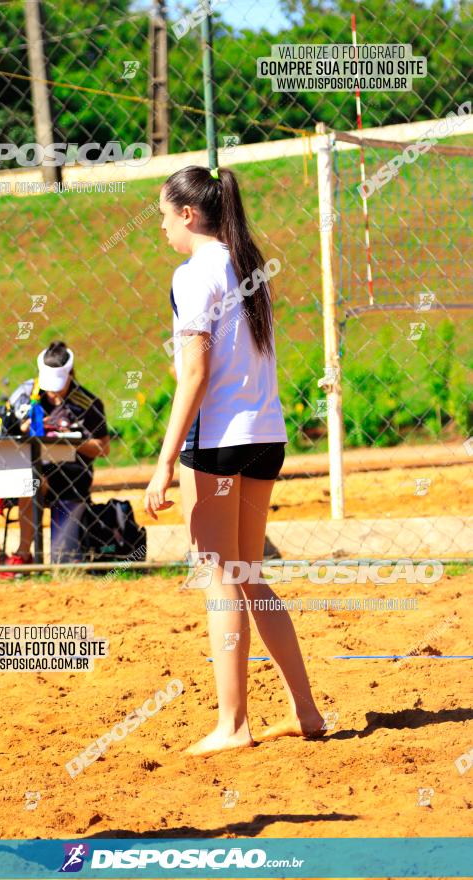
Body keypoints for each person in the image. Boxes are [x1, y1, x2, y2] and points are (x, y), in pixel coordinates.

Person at [144, 165, 325, 756]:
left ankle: (233, 725)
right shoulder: (247, 265)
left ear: (189, 215)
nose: (163, 226)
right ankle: (305, 710)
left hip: (220, 440)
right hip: (265, 433)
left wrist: (165, 460)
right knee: (248, 575)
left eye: (166, 215)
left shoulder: (194, 273)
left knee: (221, 579)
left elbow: (193, 374)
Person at [1, 341, 110, 574]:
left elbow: (103, 448)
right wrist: (25, 427)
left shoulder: (87, 404)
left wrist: (70, 440)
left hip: (72, 475)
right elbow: (4, 431)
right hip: (31, 470)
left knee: (65, 565)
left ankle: (52, 554)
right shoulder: (25, 394)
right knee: (34, 480)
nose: (52, 392)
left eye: (58, 386)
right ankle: (23, 554)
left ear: (71, 374)